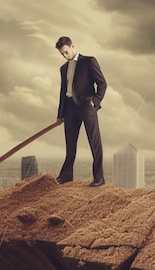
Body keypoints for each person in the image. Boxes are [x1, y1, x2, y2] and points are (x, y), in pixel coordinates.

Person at [55, 36, 107, 187]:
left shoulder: (89, 61)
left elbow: (102, 84)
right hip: (70, 108)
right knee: (70, 143)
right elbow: (63, 91)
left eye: (66, 52)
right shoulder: (63, 68)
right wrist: (60, 114)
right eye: (62, 54)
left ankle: (99, 177)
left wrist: (95, 101)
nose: (65, 56)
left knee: (94, 142)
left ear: (72, 46)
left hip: (86, 106)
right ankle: (66, 175)